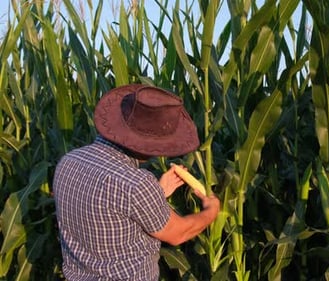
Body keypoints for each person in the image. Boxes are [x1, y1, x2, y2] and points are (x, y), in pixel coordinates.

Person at [52, 84, 220, 280]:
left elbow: (108, 210)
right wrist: (211, 211)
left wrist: (157, 192)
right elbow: (178, 234)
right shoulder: (136, 183)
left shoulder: (68, 161)